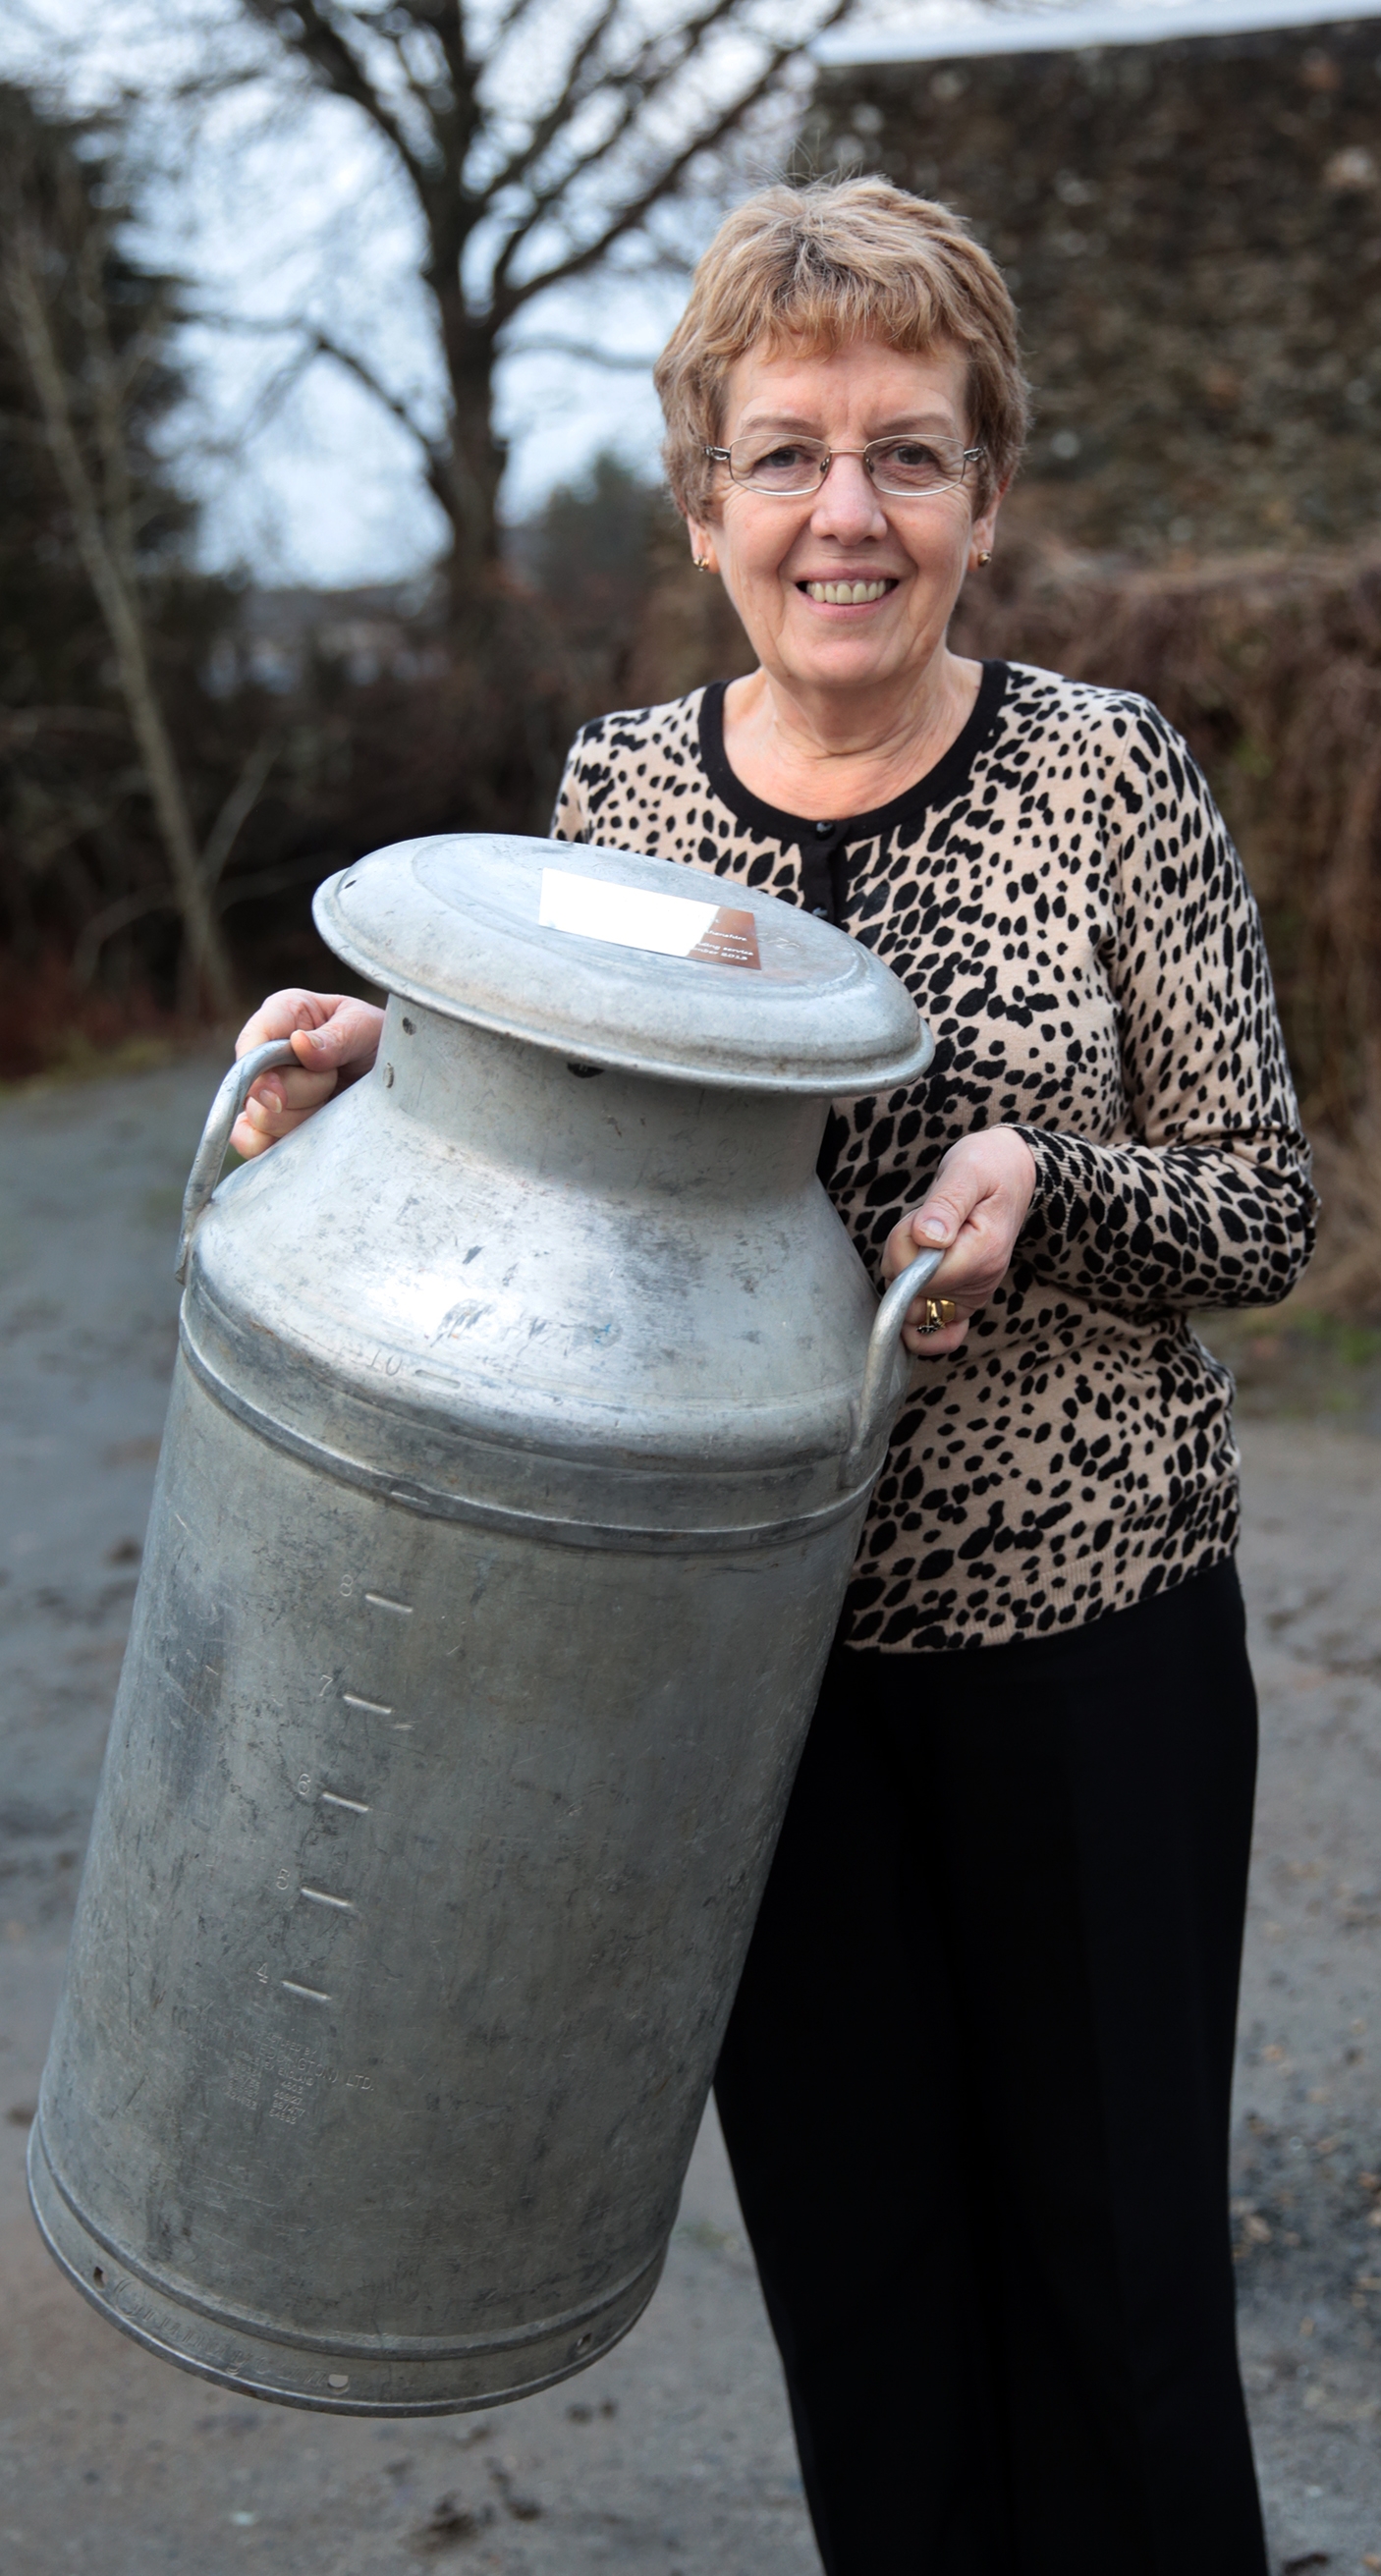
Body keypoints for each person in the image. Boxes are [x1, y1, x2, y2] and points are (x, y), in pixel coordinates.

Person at [231, 179, 1315, 2576]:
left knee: (1119, 2318)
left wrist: (1056, 1183)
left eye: (910, 453)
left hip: (1091, 1666)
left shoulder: (1108, 775)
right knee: (872, 2319)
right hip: (725, 1692)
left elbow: (1268, 1202)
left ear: (985, 496)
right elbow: (567, 1172)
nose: (851, 511)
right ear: (708, 499)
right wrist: (386, 1069)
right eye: (793, 453)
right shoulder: (617, 798)